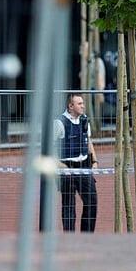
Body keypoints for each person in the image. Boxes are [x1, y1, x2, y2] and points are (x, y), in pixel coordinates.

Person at [54, 93, 99, 232]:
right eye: (79, 104)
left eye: (83, 103)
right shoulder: (59, 123)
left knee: (91, 201)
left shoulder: (84, 120)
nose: (83, 106)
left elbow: (88, 140)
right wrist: (60, 165)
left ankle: (87, 235)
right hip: (66, 167)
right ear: (70, 106)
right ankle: (69, 236)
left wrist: (95, 160)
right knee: (68, 204)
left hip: (84, 165)